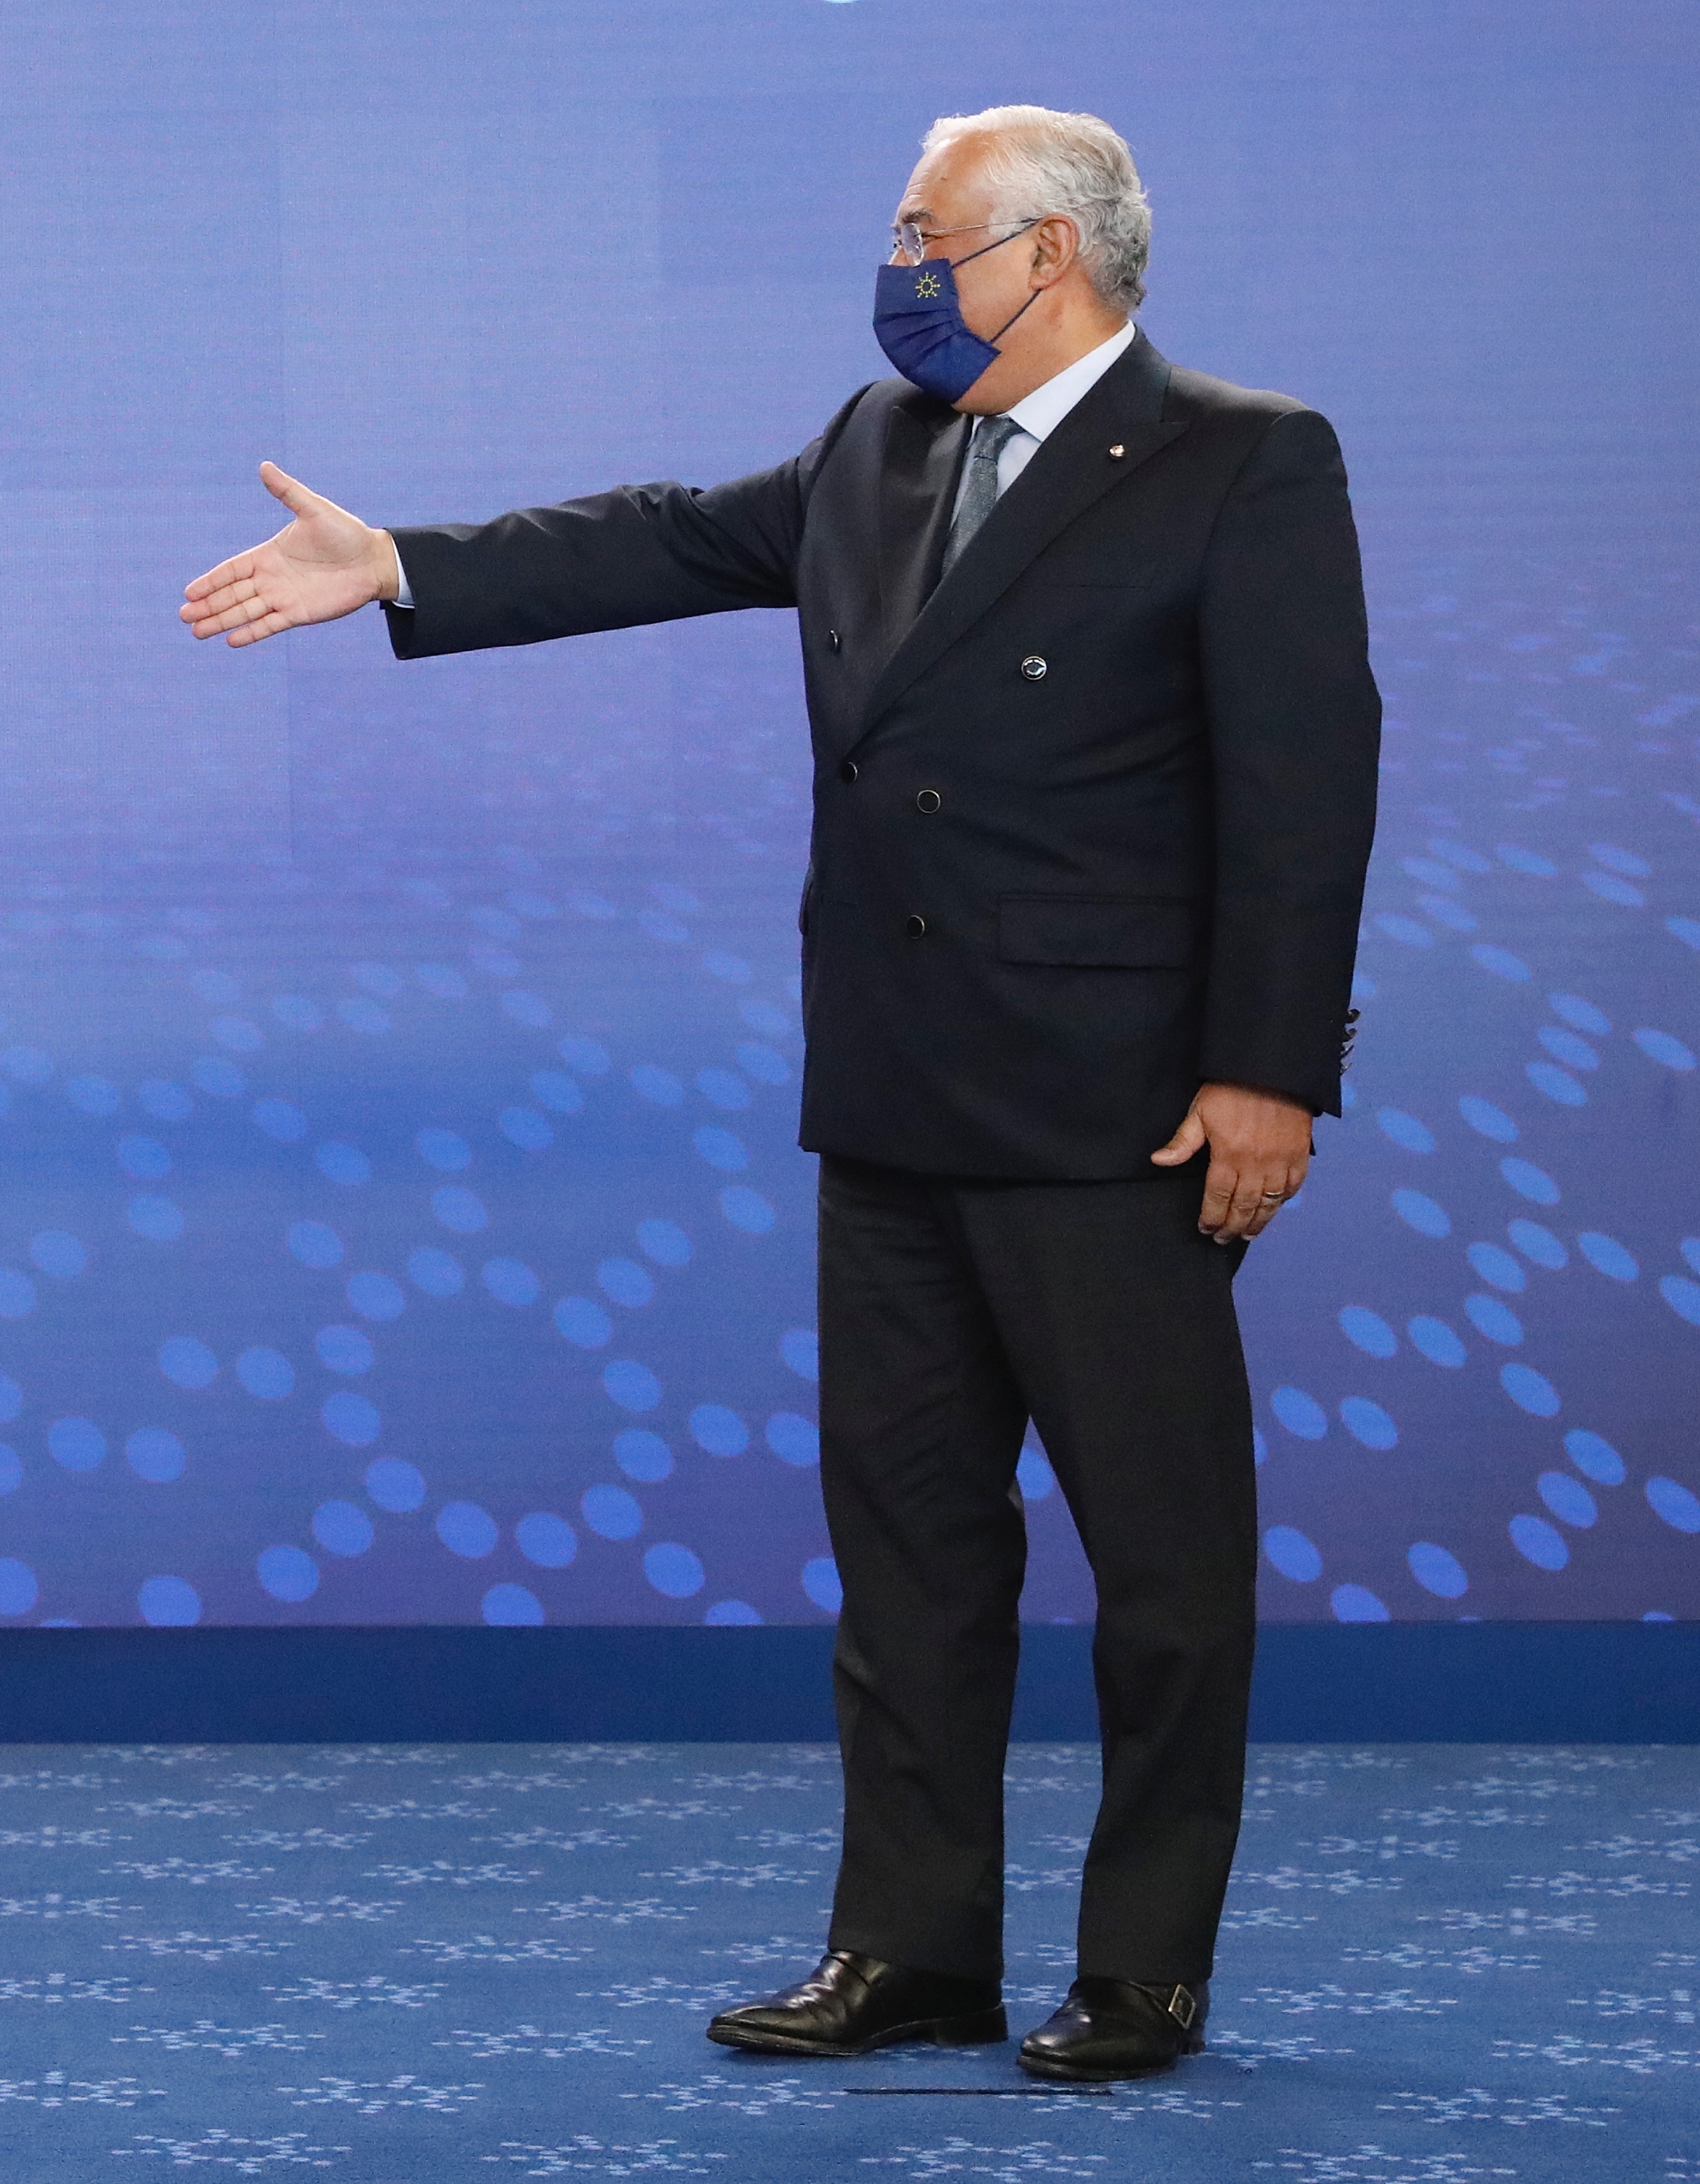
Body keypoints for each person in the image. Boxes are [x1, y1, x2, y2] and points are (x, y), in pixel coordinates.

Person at [177, 106, 1372, 2084]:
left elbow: (1306, 786)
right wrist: (400, 562)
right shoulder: (877, 443)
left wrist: (1269, 1075)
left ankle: (1145, 1964)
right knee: (907, 1557)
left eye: (929, 232)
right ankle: (910, 1948)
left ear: (1047, 258)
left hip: (1117, 1113)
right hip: (892, 1099)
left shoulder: (1244, 460)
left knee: (1163, 1569)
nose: (898, 263)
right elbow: (665, 532)